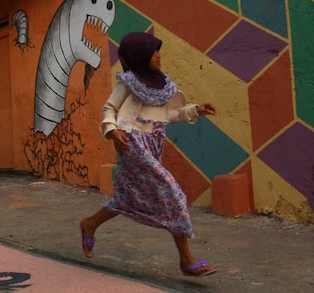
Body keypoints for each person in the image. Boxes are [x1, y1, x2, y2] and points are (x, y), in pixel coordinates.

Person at [79, 32, 219, 277]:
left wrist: (195, 110)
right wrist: (112, 131)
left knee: (127, 196)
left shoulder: (162, 84)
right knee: (171, 190)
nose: (158, 55)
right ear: (139, 55)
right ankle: (186, 259)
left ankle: (89, 224)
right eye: (153, 51)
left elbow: (169, 115)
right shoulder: (129, 81)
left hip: (154, 141)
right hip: (131, 141)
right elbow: (109, 108)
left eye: (158, 50)